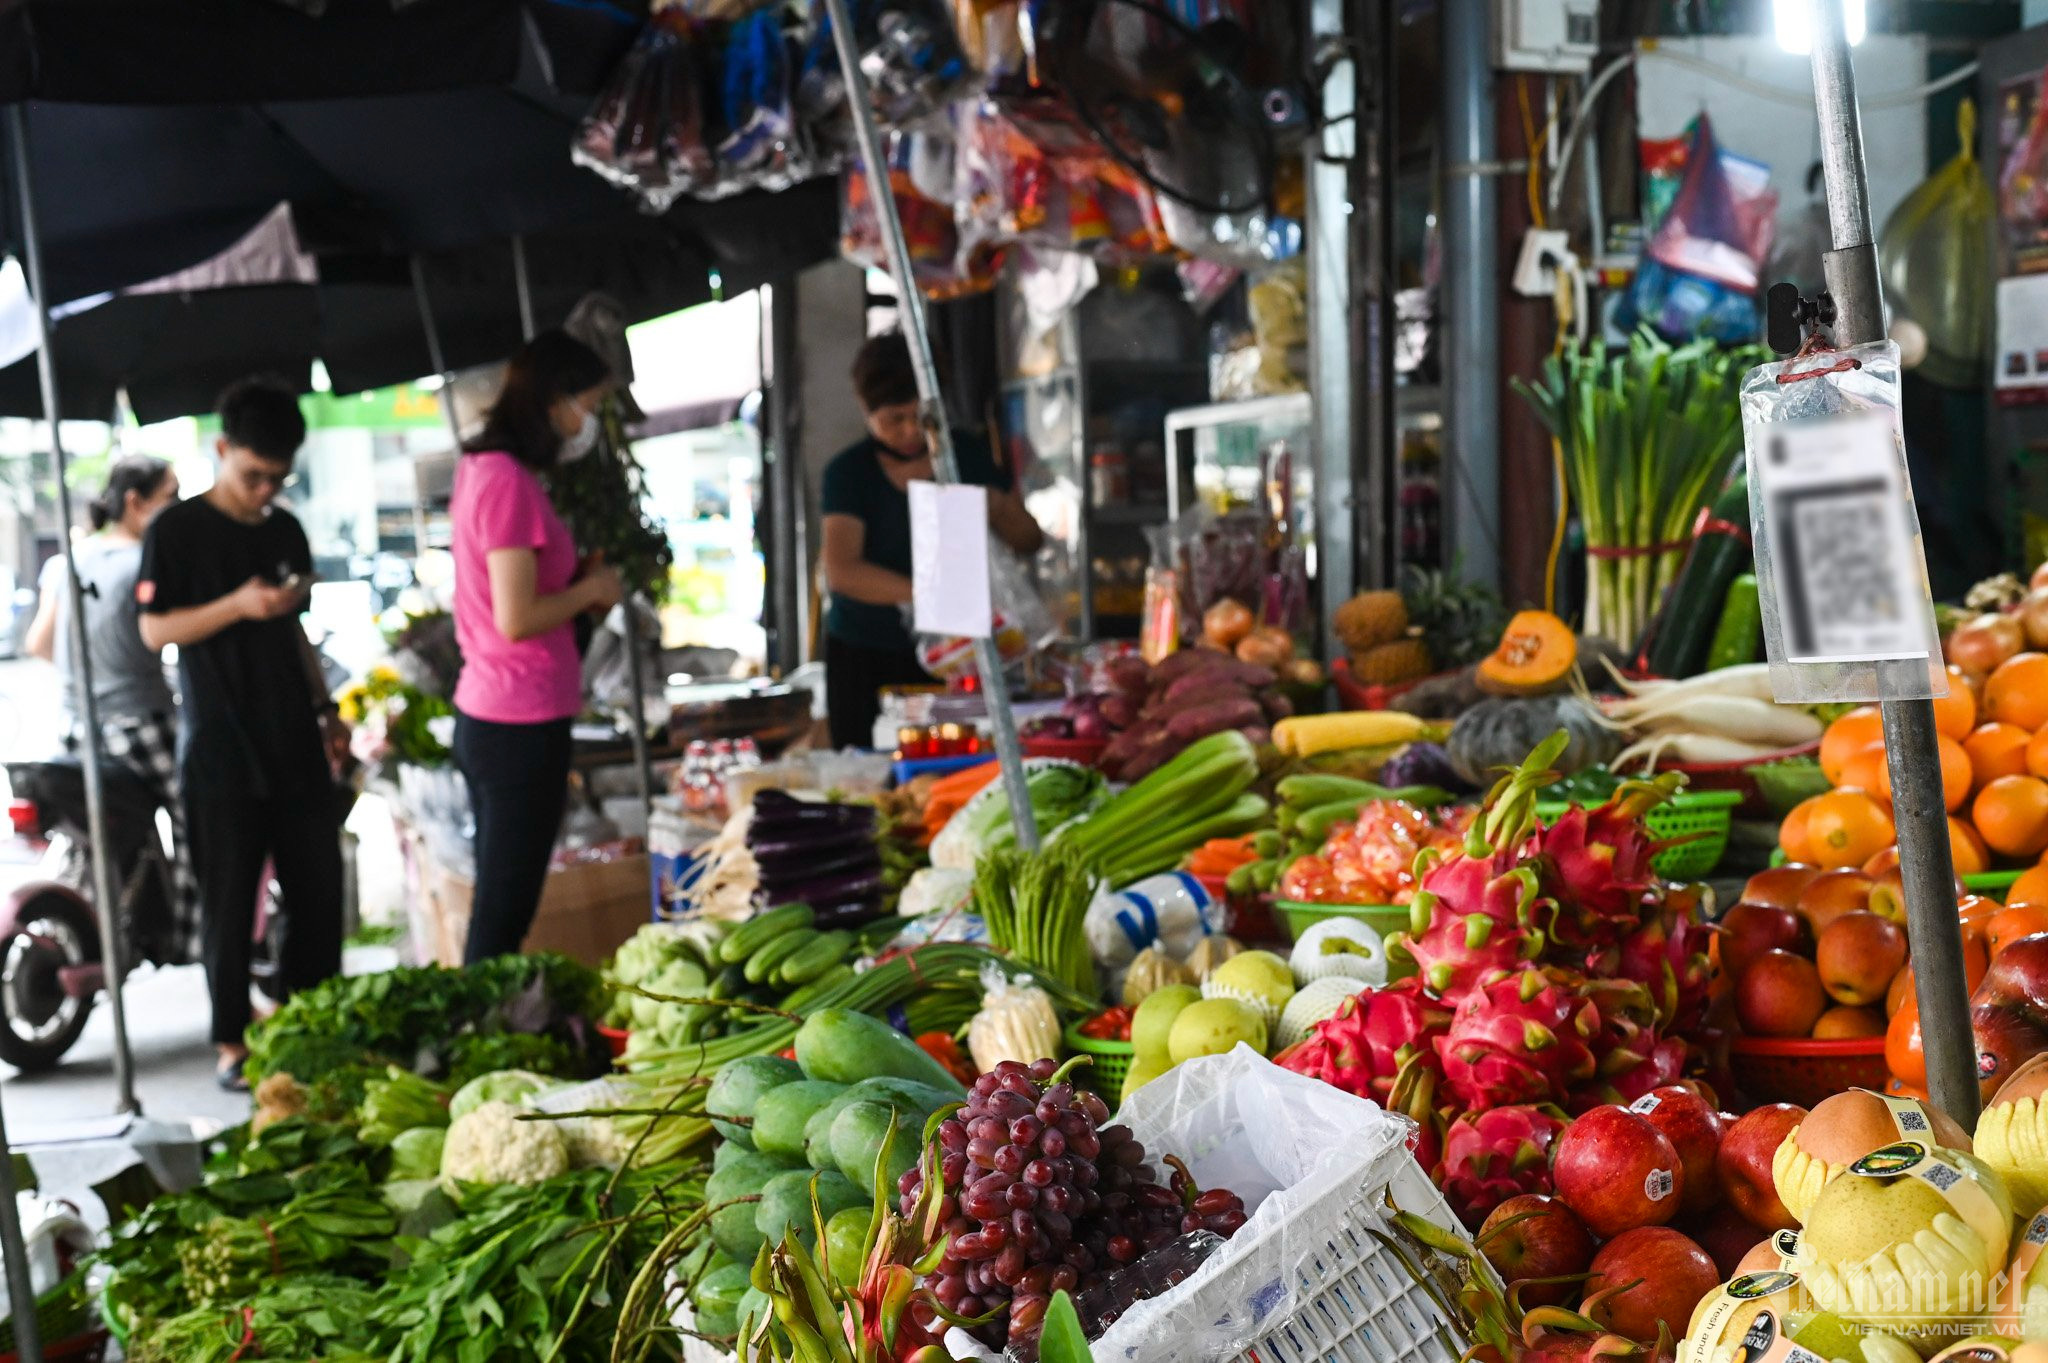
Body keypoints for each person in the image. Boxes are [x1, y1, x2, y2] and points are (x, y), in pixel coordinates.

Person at [137, 378, 349, 1090]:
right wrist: (238, 604)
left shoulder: (285, 528)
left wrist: (327, 711)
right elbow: (154, 628)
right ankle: (232, 1040)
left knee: (320, 891)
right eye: (254, 474)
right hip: (220, 748)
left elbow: (295, 633)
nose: (265, 490)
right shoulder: (176, 530)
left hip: (294, 736)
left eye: (278, 478)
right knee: (228, 902)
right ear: (222, 449)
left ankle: (311, 1021)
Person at [450, 330, 621, 963]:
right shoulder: (505, 481)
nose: (590, 421)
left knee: (504, 898)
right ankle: (477, 1038)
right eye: (588, 404)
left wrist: (575, 585)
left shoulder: (487, 470)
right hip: (516, 719)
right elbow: (516, 617)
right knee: (504, 908)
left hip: (504, 713)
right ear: (554, 400)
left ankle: (480, 1027)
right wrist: (593, 589)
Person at [820, 333, 1044, 748]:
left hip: (959, 658)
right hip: (866, 653)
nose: (909, 432)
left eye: (919, 417)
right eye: (893, 420)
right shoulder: (849, 473)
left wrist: (995, 506)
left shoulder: (968, 454)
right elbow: (843, 570)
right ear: (865, 413)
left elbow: (1029, 540)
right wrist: (931, 596)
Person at [25, 456, 199, 964]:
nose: (179, 506)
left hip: (76, 729)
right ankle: (193, 941)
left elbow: (41, 643)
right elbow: (162, 636)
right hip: (140, 723)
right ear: (135, 502)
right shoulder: (146, 561)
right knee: (199, 822)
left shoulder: (67, 562)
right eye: (172, 494)